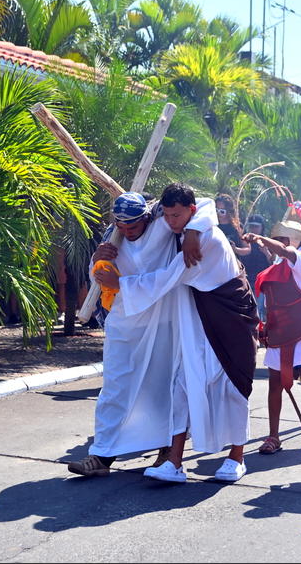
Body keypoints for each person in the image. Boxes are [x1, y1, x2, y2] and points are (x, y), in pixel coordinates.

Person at [96, 183, 258, 483]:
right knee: (183, 384)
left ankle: (237, 456)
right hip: (197, 315)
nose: (170, 221)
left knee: (231, 383)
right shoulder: (183, 230)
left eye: (177, 215)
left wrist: (121, 285)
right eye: (167, 215)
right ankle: (174, 462)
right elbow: (201, 205)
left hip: (229, 314)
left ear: (191, 212)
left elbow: (168, 278)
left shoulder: (202, 239)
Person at [66, 193, 214, 477]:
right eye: (121, 225)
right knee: (114, 387)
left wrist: (194, 233)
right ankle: (101, 455)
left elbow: (205, 203)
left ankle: (167, 451)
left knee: (164, 388)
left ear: (146, 217)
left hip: (164, 321)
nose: (127, 231)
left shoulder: (162, 223)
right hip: (125, 322)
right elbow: (100, 277)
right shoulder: (114, 236)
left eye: (132, 225)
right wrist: (97, 261)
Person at [244, 221, 301, 456]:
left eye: (283, 241)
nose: (280, 246)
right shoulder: (274, 266)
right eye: (278, 240)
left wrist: (262, 239)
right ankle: (273, 435)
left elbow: (286, 253)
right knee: (275, 384)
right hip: (277, 332)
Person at [239, 215, 272, 320]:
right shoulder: (243, 240)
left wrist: (266, 252)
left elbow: (274, 263)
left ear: (262, 227)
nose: (254, 229)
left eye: (256, 226)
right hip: (246, 279)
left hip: (261, 282)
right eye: (252, 226)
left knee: (259, 309)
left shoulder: (267, 241)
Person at [215, 193, 250, 257]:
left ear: (229, 211)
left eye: (222, 211)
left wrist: (235, 249)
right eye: (216, 210)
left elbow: (248, 249)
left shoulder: (238, 227)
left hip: (232, 264)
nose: (218, 213)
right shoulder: (212, 225)